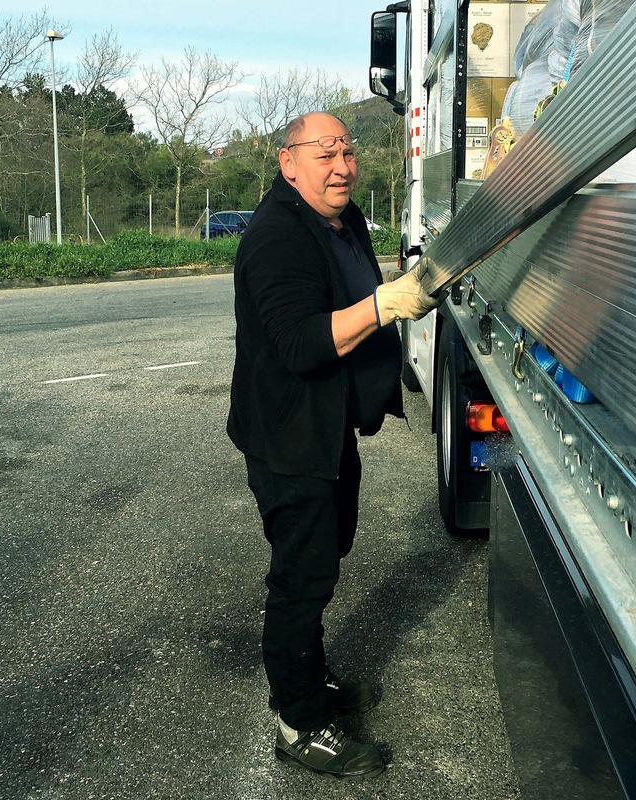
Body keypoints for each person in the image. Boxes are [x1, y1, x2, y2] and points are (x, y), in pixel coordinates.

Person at [227, 111, 439, 779]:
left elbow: (359, 291)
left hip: (327, 426)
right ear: (288, 162)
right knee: (302, 576)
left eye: (348, 151)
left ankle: (311, 681)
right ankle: (298, 723)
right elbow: (300, 342)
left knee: (327, 553)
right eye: (326, 153)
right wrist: (384, 306)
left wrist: (407, 293)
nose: (343, 166)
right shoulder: (275, 236)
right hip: (289, 436)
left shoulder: (339, 219)